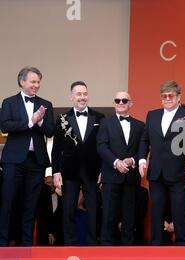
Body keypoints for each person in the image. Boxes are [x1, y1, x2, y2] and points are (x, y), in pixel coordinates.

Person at [139, 80, 185, 246]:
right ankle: (156, 245)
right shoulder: (153, 115)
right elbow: (145, 139)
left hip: (179, 172)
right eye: (164, 96)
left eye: (170, 95)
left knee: (179, 210)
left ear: (178, 97)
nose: (167, 98)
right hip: (156, 172)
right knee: (157, 209)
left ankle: (181, 245)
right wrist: (142, 159)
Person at [0, 66, 55, 246]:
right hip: (13, 161)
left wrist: (39, 123)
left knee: (31, 204)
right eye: (33, 81)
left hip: (36, 162)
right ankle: (3, 242)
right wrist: (30, 122)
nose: (36, 85)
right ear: (22, 81)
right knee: (8, 202)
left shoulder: (46, 104)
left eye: (38, 82)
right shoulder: (9, 102)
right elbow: (5, 126)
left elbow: (51, 130)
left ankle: (26, 245)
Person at [52, 81, 104, 245]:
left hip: (93, 171)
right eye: (79, 94)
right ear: (71, 96)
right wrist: (56, 171)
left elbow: (102, 146)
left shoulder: (100, 117)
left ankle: (91, 243)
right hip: (69, 171)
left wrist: (103, 169)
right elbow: (56, 148)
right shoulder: (62, 118)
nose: (82, 97)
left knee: (93, 208)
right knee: (68, 208)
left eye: (85, 94)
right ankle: (70, 243)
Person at [97, 91, 145, 245]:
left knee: (129, 216)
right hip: (111, 176)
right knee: (108, 215)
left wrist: (132, 160)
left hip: (131, 178)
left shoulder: (140, 125)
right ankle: (106, 248)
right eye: (117, 100)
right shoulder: (105, 123)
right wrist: (116, 162)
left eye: (125, 100)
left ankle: (127, 252)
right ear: (114, 103)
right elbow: (101, 146)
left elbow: (144, 150)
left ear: (131, 103)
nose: (121, 102)